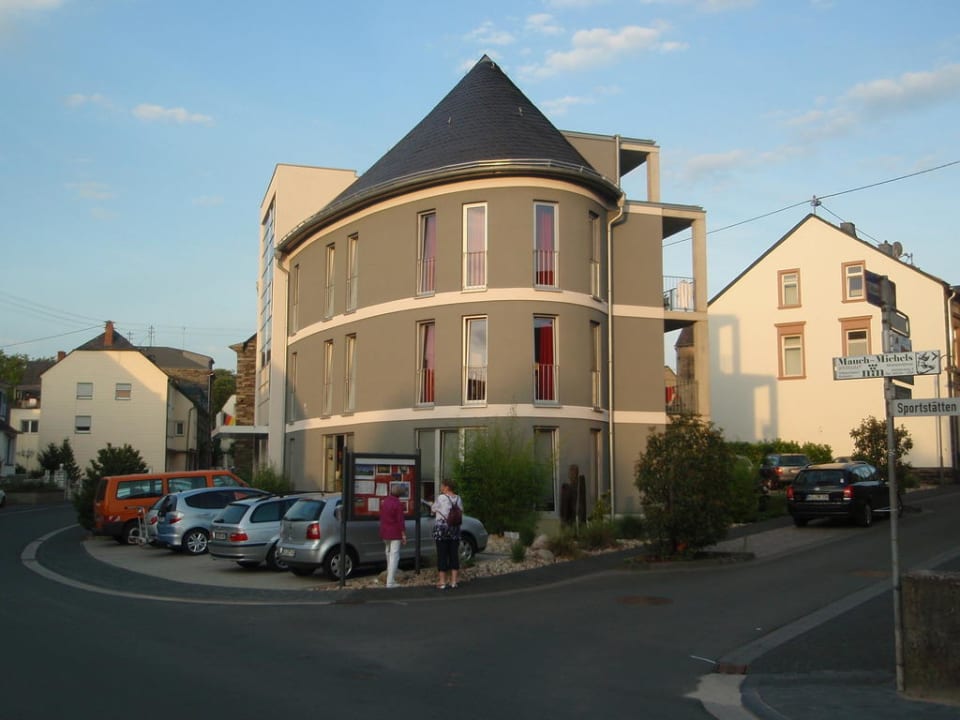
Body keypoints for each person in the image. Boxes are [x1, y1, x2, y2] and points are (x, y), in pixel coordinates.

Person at [431, 480, 463, 589]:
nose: (441, 488)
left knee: (442, 555)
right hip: (455, 530)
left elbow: (433, 509)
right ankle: (454, 581)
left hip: (442, 530)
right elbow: (461, 511)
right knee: (454, 554)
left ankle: (442, 582)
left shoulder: (441, 498)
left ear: (447, 487)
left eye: (442, 486)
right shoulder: (458, 498)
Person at [379, 484, 407, 588]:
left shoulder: (385, 502)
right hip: (395, 532)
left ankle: (389, 576)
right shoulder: (398, 504)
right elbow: (400, 520)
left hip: (385, 531)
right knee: (394, 555)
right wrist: (403, 534)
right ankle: (390, 581)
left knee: (388, 552)